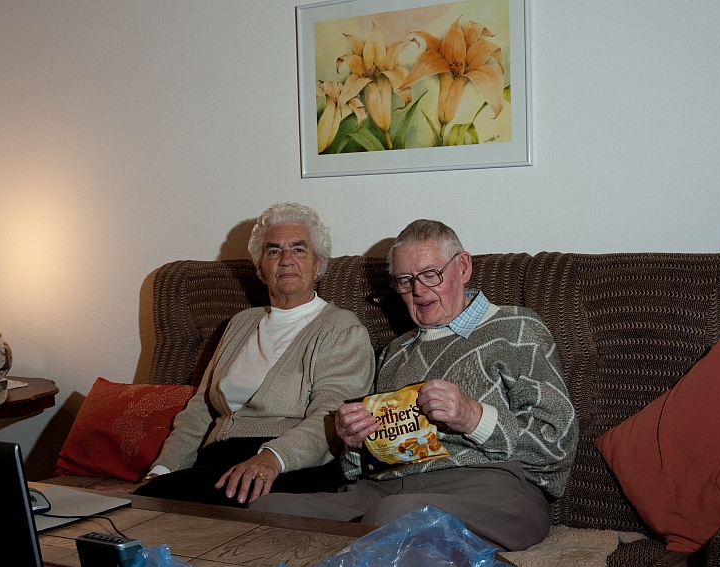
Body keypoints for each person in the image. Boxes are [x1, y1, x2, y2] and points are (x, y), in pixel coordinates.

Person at [249, 220, 579, 551]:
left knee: (393, 517)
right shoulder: (394, 354)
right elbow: (359, 470)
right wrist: (354, 444)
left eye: (431, 274)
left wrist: (474, 417)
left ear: (463, 267)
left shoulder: (517, 328)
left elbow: (557, 445)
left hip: (492, 487)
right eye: (405, 281)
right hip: (387, 489)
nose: (419, 291)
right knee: (270, 512)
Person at [130, 203, 375, 507]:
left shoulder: (341, 328)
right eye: (273, 251)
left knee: (147, 504)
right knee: (146, 498)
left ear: (319, 264)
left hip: (294, 465)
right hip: (217, 461)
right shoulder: (241, 323)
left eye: (299, 250)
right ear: (260, 267)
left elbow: (331, 418)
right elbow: (199, 411)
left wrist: (272, 458)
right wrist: (161, 472)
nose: (286, 260)